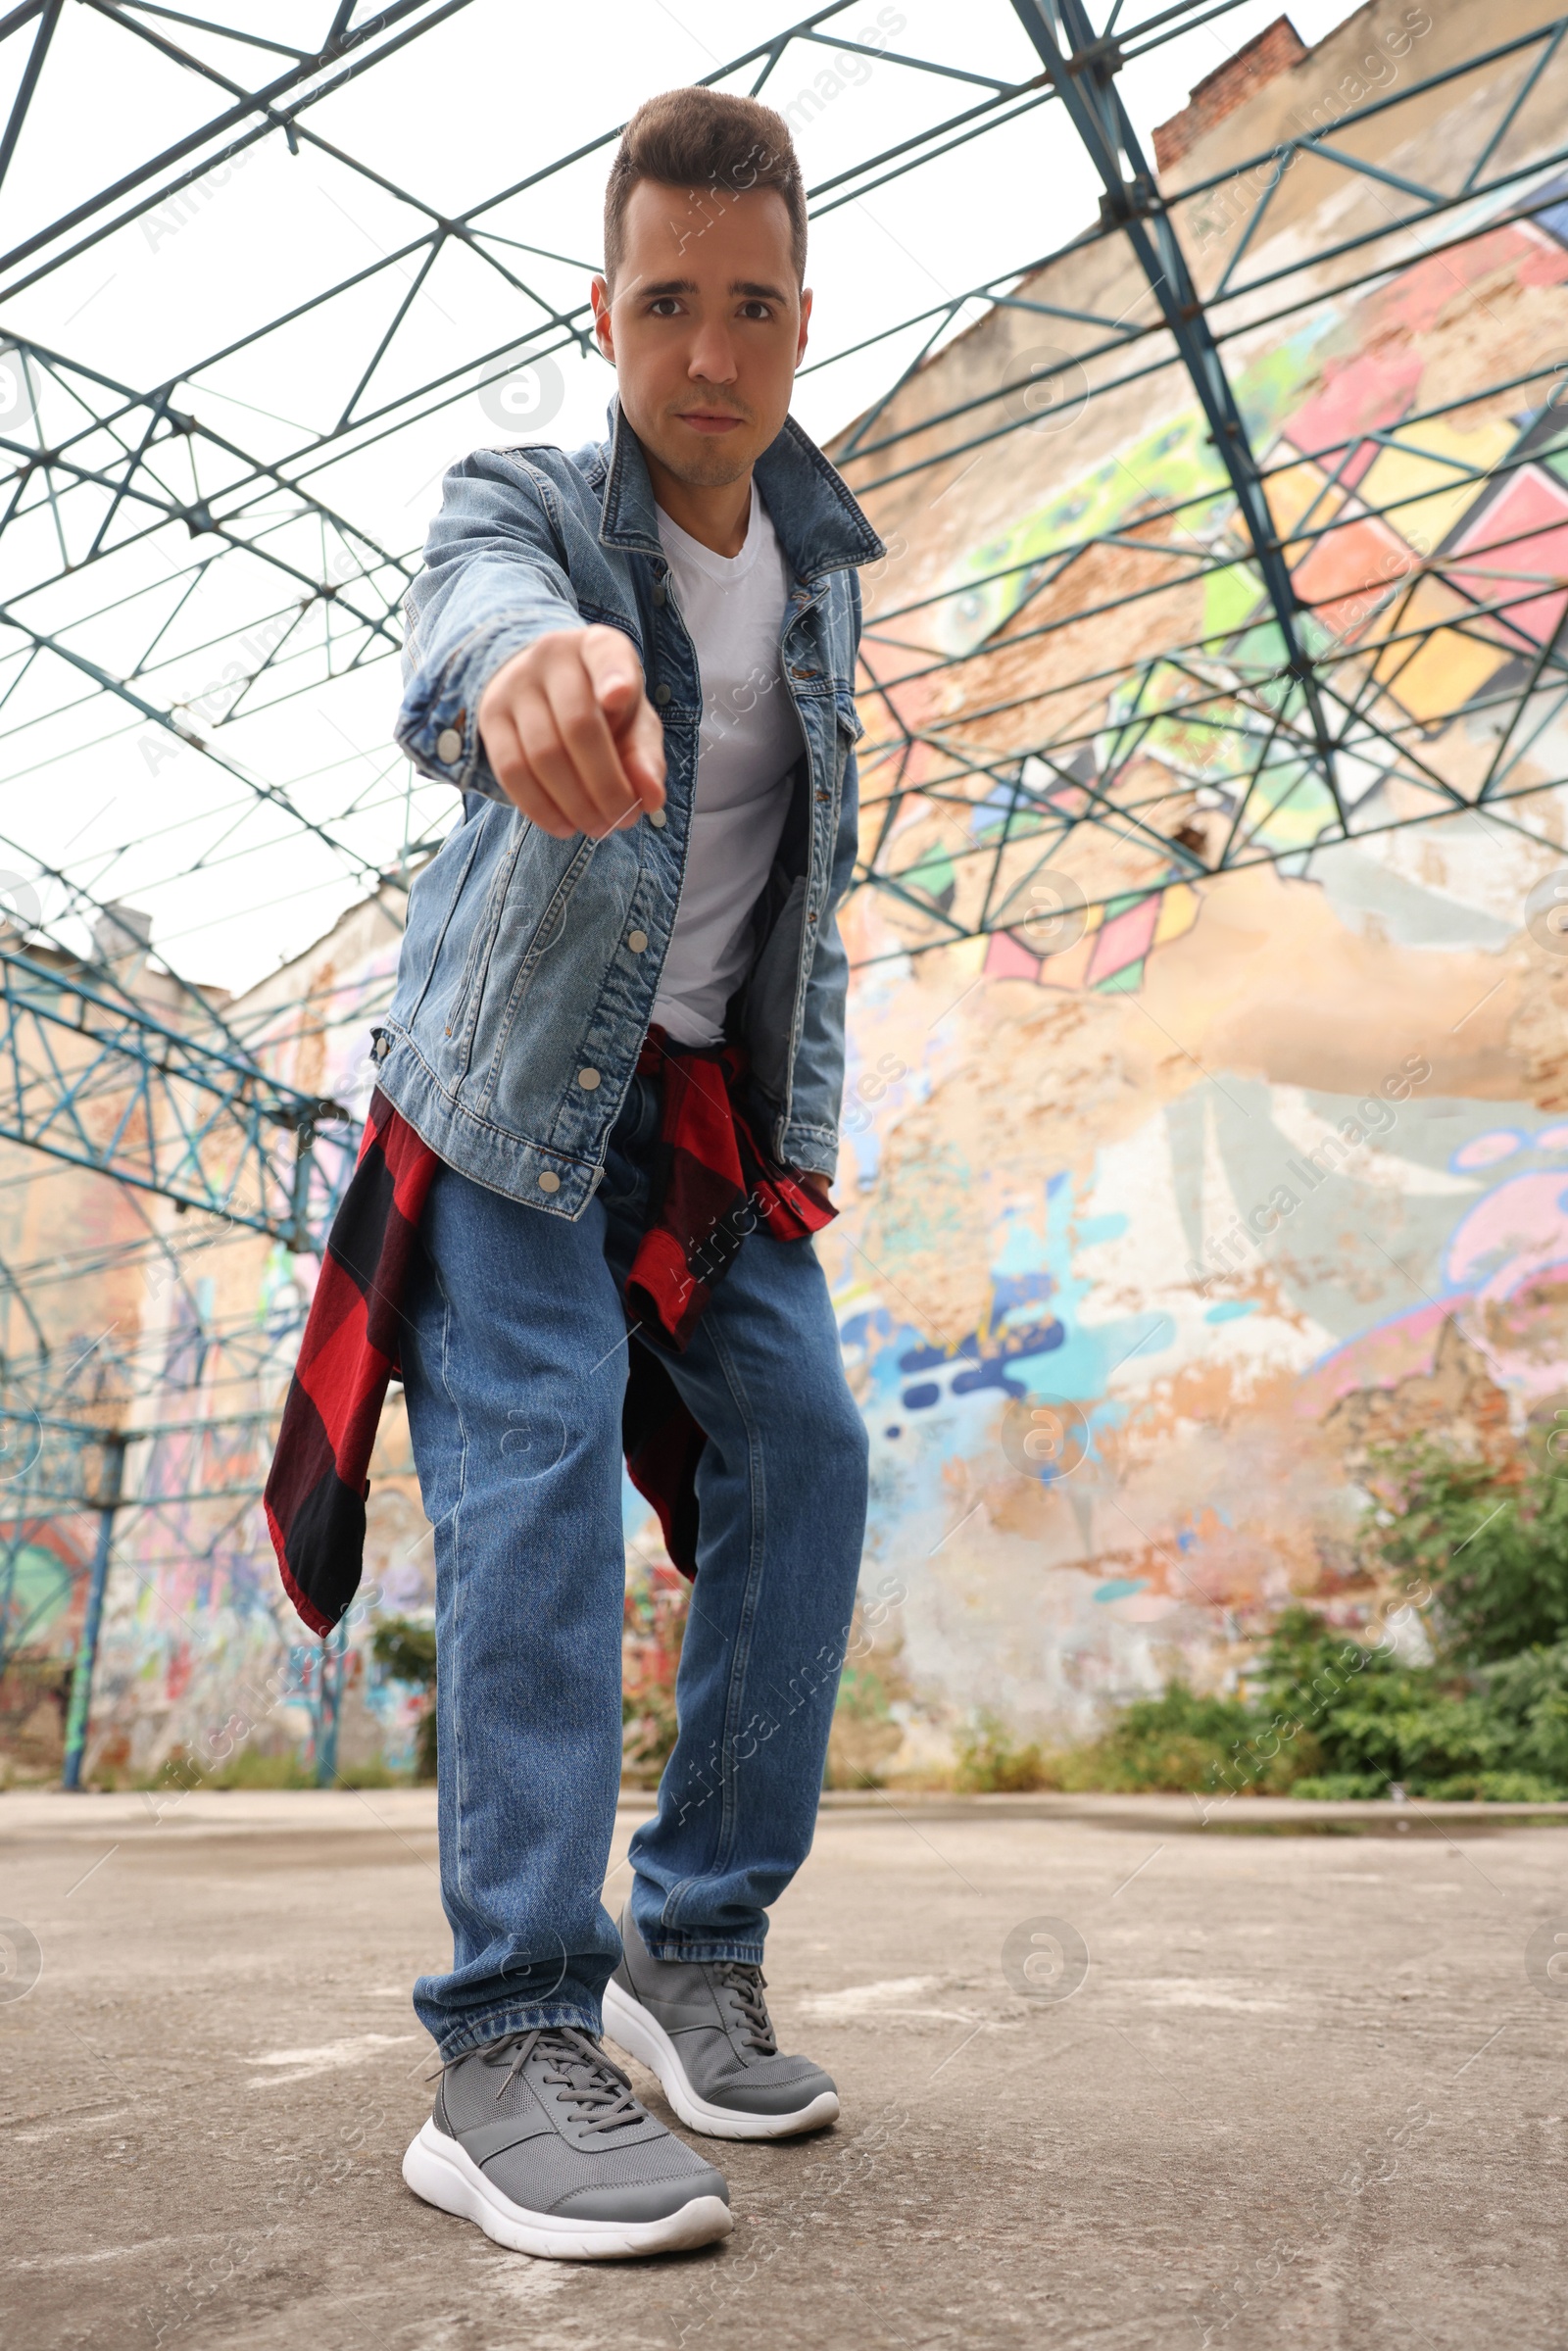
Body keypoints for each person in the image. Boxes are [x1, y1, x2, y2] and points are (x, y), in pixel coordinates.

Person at [379, 86, 882, 2260]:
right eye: (661, 303)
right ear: (604, 309)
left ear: (797, 318)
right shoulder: (530, 507)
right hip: (507, 1104)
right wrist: (524, 665)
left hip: (695, 1128)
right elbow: (465, 609)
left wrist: (787, 1137)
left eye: (746, 307)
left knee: (813, 1455)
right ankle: (504, 2039)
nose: (704, 354)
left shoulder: (830, 573)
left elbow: (805, 894)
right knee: (538, 1469)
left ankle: (695, 1944)